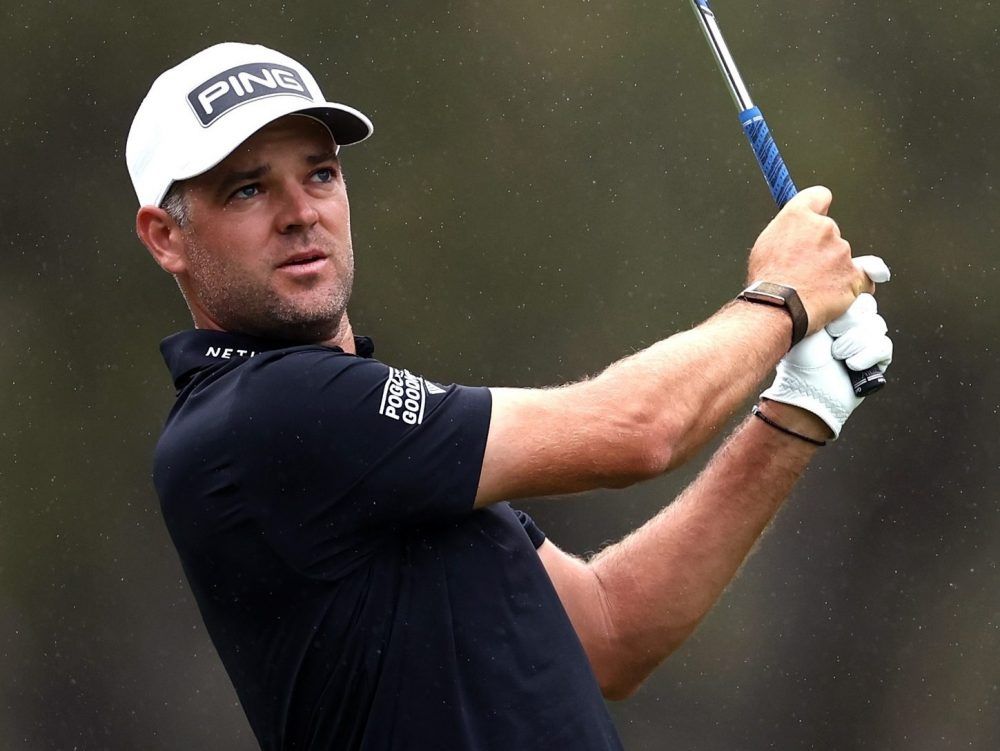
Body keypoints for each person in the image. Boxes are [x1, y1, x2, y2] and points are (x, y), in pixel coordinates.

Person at [127, 42, 892, 751]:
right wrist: (780, 298)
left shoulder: (366, 432)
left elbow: (607, 630)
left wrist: (799, 409)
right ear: (165, 237)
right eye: (248, 188)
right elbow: (637, 430)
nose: (301, 212)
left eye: (320, 173)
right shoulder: (261, 413)